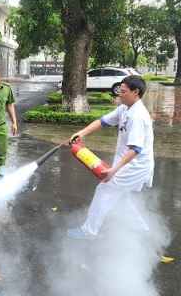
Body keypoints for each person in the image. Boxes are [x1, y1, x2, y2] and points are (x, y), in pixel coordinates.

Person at [66, 75, 154, 239]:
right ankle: (141, 228)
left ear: (136, 92)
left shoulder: (138, 116)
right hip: (127, 164)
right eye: (120, 91)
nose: (120, 95)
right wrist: (81, 133)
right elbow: (102, 122)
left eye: (124, 92)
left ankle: (89, 231)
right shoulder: (125, 109)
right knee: (120, 197)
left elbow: (135, 149)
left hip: (135, 166)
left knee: (105, 189)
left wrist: (114, 170)